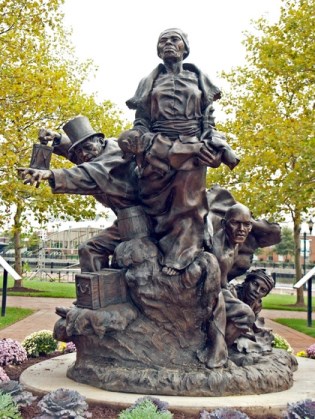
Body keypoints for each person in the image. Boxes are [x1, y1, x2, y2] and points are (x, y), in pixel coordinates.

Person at [118, 28, 239, 276]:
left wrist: (215, 148)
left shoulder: (199, 80)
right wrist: (137, 139)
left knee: (188, 204)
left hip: (193, 151)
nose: (168, 44)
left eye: (174, 40)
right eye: (163, 41)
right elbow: (141, 122)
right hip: (158, 148)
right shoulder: (148, 83)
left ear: (185, 47)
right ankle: (156, 251)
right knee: (156, 208)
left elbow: (209, 123)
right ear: (158, 49)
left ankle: (182, 253)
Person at [19, 116, 141, 272]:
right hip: (125, 220)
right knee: (89, 250)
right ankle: (96, 294)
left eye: (88, 148)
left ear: (100, 141)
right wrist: (56, 138)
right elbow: (83, 156)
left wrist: (49, 174)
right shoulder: (97, 153)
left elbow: (86, 174)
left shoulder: (115, 157)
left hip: (141, 221)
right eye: (79, 151)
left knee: (106, 254)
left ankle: (106, 293)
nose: (83, 155)